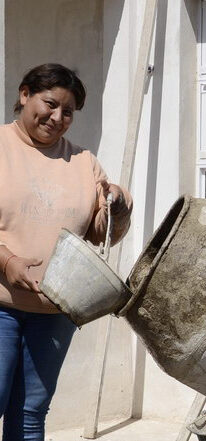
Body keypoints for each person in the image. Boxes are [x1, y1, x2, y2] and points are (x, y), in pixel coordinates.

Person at [0, 63, 132, 441]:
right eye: (50, 103)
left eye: (68, 111)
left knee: (30, 413)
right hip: (1, 305)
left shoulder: (83, 162)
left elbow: (99, 233)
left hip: (54, 310)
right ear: (25, 95)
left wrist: (118, 206)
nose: (57, 117)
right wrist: (7, 261)